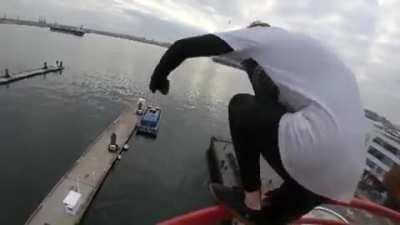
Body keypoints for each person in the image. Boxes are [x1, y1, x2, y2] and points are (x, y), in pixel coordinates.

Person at [149, 21, 366, 225]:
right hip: (344, 177)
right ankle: (267, 212)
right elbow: (271, 110)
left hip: (318, 147)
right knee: (271, 216)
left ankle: (250, 200)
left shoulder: (260, 38)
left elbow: (183, 47)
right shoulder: (298, 61)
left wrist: (159, 76)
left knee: (241, 106)